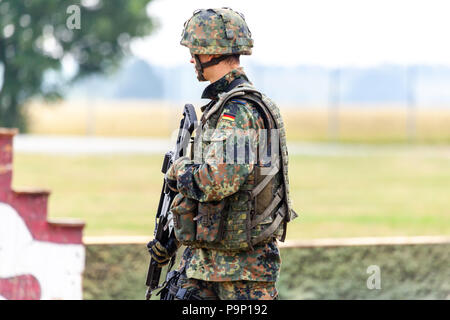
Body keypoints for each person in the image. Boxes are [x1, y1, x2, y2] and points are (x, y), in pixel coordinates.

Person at [147, 7, 297, 300]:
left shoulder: (239, 112)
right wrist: (172, 240)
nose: (192, 59)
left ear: (209, 52)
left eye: (195, 51)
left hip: (240, 274)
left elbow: (218, 181)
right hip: (206, 266)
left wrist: (177, 170)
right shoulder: (226, 107)